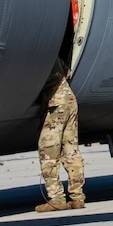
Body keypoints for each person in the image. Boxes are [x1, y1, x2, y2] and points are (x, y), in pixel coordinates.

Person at [35, 58, 84, 212]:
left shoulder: (38, 58)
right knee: (71, 150)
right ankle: (77, 197)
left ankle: (56, 198)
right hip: (70, 99)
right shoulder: (52, 54)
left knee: (48, 151)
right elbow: (67, 72)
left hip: (56, 103)